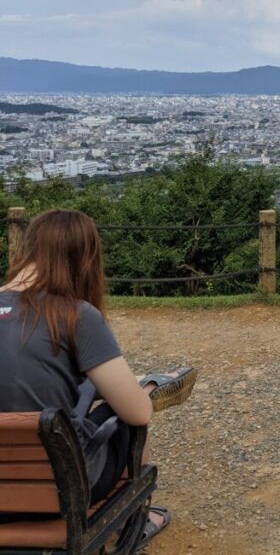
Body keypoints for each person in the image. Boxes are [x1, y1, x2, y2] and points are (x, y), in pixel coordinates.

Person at [0, 209, 197, 545]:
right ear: (85, 259)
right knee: (130, 413)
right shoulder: (75, 314)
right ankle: (134, 517)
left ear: (27, 250)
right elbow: (138, 413)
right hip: (55, 492)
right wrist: (141, 391)